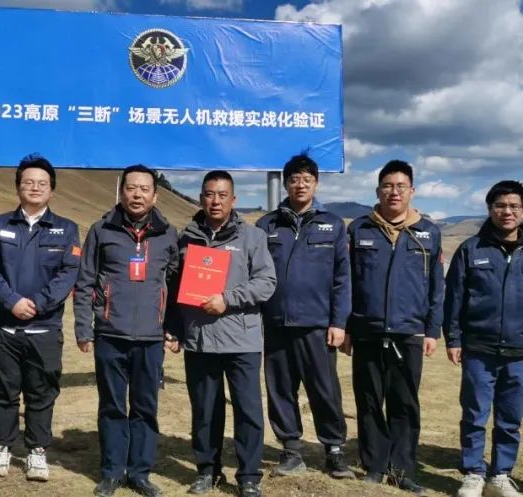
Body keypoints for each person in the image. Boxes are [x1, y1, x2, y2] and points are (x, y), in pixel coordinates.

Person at [165, 171, 276, 497]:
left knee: (248, 411)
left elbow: (266, 282)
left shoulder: (253, 237)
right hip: (200, 340)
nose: (215, 201)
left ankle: (249, 475)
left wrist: (228, 299)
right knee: (204, 410)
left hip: (242, 340)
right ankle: (206, 471)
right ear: (201, 198)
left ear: (233, 199)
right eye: (209, 194)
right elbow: (174, 287)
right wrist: (175, 329)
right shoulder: (186, 238)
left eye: (222, 195)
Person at [73, 164, 180, 497]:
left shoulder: (168, 233)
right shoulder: (101, 230)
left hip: (151, 338)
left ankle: (140, 473)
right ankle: (112, 471)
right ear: (121, 192)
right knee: (112, 406)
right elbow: (84, 281)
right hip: (110, 334)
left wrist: (173, 326)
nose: (137, 195)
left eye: (144, 189)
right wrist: (84, 328)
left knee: (145, 408)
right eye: (131, 188)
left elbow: (175, 284)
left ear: (155, 195)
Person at [444, 181, 523, 497]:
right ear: (490, 209)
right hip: (479, 348)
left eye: (514, 206)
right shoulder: (471, 250)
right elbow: (454, 298)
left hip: (521, 351)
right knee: (475, 414)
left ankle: (501, 475)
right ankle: (473, 473)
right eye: (500, 205)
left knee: (510, 418)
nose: (507, 211)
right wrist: (453, 339)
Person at [0, 155, 81, 482]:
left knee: (42, 392)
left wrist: (37, 304)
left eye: (42, 183)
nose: (35, 188)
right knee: (3, 391)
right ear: (18, 187)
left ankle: (37, 450)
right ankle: (1, 447)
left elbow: (68, 273)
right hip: (3, 327)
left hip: (44, 328)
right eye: (28, 182)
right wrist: (12, 302)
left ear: (52, 190)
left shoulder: (67, 229)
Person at [343, 159, 443, 496]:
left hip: (409, 331)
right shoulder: (359, 229)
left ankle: (402, 468)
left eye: (401, 186)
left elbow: (436, 288)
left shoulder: (428, 233)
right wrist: (347, 327)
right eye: (388, 186)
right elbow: (347, 282)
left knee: (404, 403)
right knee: (369, 400)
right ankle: (374, 464)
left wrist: (432, 330)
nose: (394, 192)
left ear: (412, 191)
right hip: (367, 330)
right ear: (378, 191)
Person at [254, 154, 353, 479]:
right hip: (276, 323)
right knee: (280, 389)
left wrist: (339, 322)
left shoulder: (333, 225)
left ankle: (334, 450)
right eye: (294, 179)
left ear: (316, 183)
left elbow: (342, 279)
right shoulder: (267, 225)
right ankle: (291, 450)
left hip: (317, 326)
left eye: (307, 179)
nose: (300, 185)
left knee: (325, 390)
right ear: (286, 184)